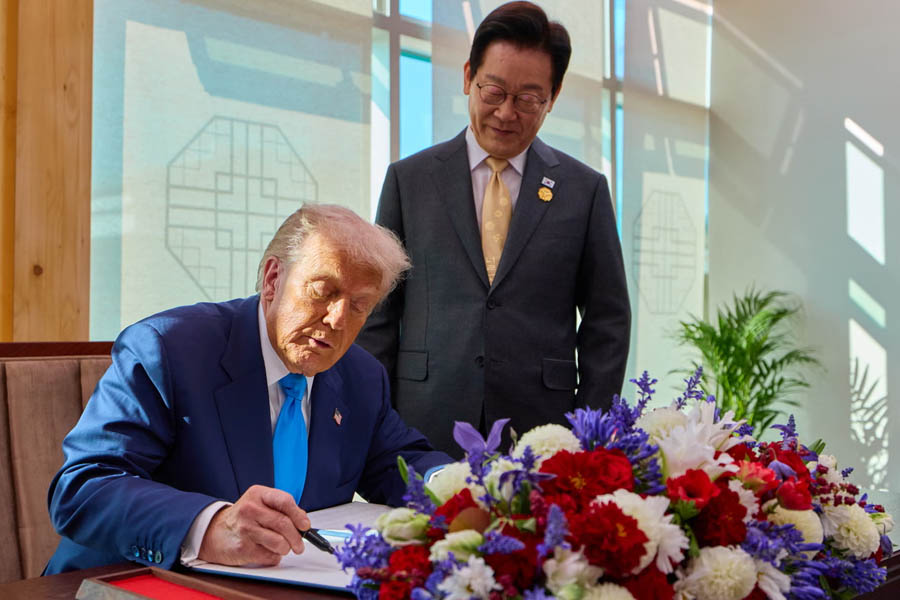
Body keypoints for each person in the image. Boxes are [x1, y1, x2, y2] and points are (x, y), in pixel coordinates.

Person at [44, 204, 452, 574]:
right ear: (273, 279)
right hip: (124, 580)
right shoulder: (167, 348)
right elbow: (84, 488)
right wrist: (210, 526)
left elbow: (397, 462)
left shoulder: (361, 376)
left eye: (359, 305)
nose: (338, 320)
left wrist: (458, 489)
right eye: (322, 291)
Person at [357, 1, 631, 456]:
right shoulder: (410, 181)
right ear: (469, 77)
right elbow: (378, 315)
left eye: (527, 99)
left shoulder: (584, 191)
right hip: (424, 420)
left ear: (552, 97)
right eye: (494, 91)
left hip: (545, 430)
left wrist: (590, 433)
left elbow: (608, 321)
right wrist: (374, 429)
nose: (506, 113)